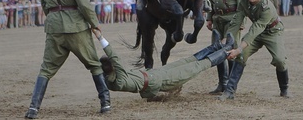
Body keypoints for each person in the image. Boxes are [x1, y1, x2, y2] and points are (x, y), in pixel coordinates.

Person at [24, 0, 111, 119]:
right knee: (94, 64)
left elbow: (45, 7)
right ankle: (106, 103)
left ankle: (33, 108)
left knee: (46, 69)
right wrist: (94, 23)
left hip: (54, 29)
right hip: (75, 27)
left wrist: (57, 18)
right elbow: (84, 4)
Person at [94, 28, 234, 99]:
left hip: (152, 74)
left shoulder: (109, 79)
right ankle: (227, 49)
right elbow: (115, 58)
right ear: (112, 69)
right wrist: (100, 38)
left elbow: (107, 64)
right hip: (157, 82)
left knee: (188, 60)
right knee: (197, 66)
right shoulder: (118, 81)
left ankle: (215, 47)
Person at [218, 0, 290, 101]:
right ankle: (229, 91)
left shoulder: (267, 7)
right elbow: (236, 22)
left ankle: (284, 89)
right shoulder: (244, 1)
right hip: (258, 33)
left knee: (279, 60)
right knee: (242, 56)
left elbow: (255, 29)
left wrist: (239, 48)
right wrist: (227, 38)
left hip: (272, 32)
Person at [205, 0, 247, 94]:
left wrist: (240, 25)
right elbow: (213, 0)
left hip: (232, 21)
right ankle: (222, 84)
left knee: (230, 52)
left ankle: (230, 86)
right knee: (217, 51)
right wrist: (209, 18)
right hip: (218, 21)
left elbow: (243, 5)